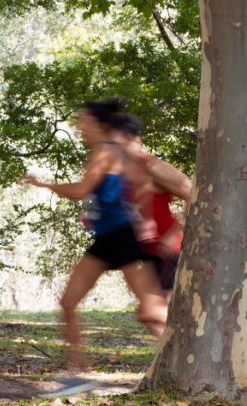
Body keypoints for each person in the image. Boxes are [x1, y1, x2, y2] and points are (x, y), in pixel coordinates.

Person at [20, 99, 168, 379]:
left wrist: (44, 184)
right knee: (69, 302)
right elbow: (110, 193)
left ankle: (183, 354)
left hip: (122, 238)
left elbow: (82, 190)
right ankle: (77, 373)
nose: (79, 127)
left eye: (84, 121)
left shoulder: (106, 151)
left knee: (151, 311)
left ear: (100, 125)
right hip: (107, 238)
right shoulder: (108, 151)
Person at [115, 114, 192, 302]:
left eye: (126, 139)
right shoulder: (121, 174)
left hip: (170, 250)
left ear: (137, 140)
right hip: (150, 251)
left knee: (159, 310)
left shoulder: (153, 166)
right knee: (148, 311)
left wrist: (176, 232)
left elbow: (193, 193)